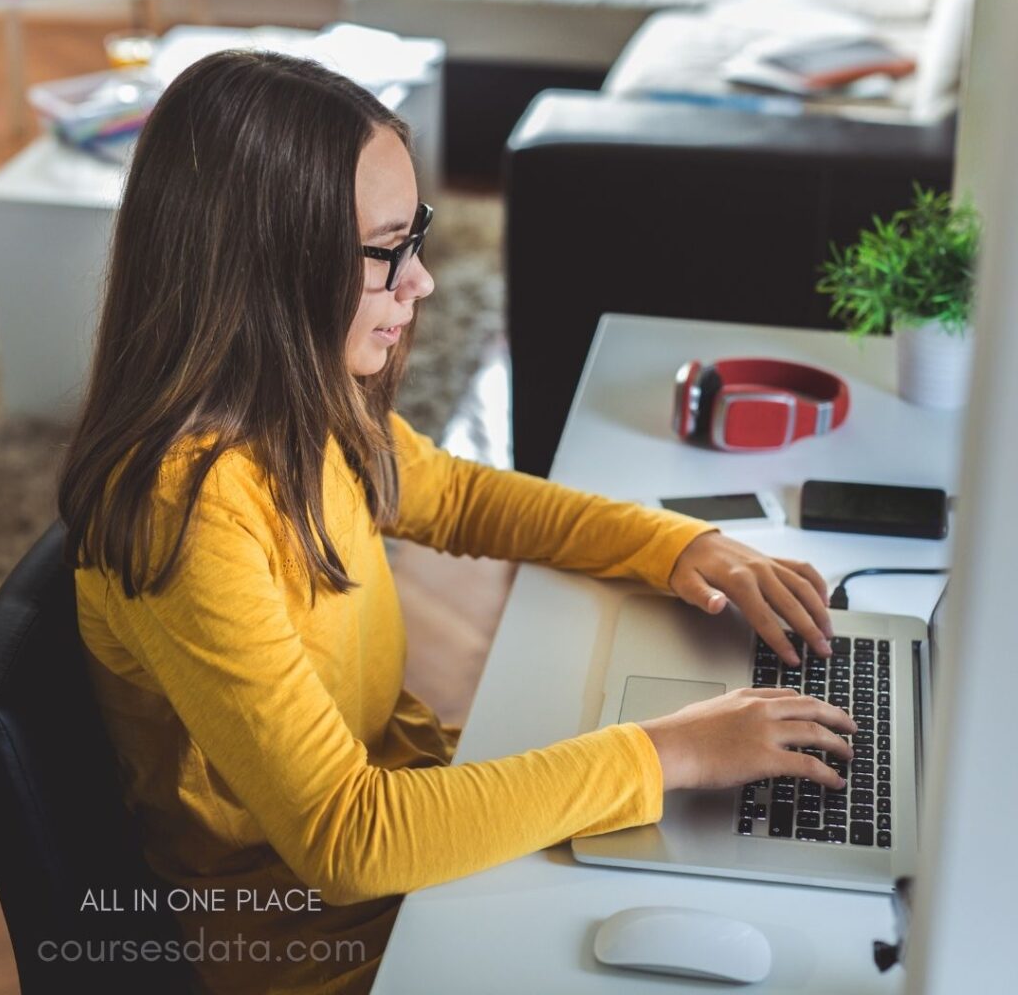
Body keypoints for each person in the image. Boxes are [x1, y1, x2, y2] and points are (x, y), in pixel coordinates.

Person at [58, 50, 856, 995]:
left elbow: (464, 496)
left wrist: (678, 543)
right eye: (387, 249)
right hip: (319, 938)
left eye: (417, 235)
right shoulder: (187, 513)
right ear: (267, 265)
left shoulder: (301, 404)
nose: (424, 281)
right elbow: (346, 841)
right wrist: (672, 750)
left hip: (414, 838)